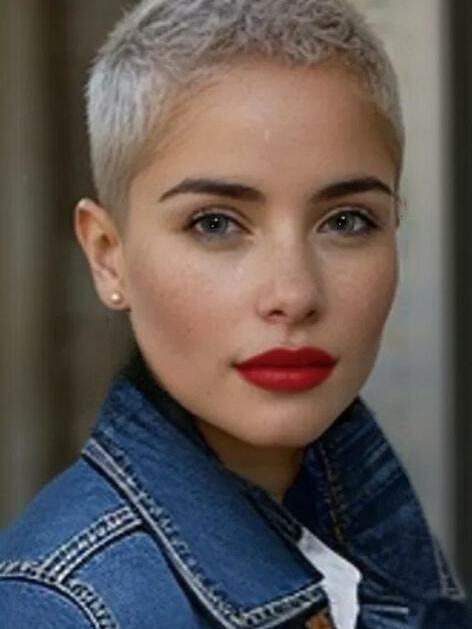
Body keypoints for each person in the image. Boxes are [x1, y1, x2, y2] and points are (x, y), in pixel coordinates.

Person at [0, 0, 470, 627]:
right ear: (108, 256)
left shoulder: (375, 555)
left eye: (347, 220)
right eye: (215, 223)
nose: (294, 293)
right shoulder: (59, 609)